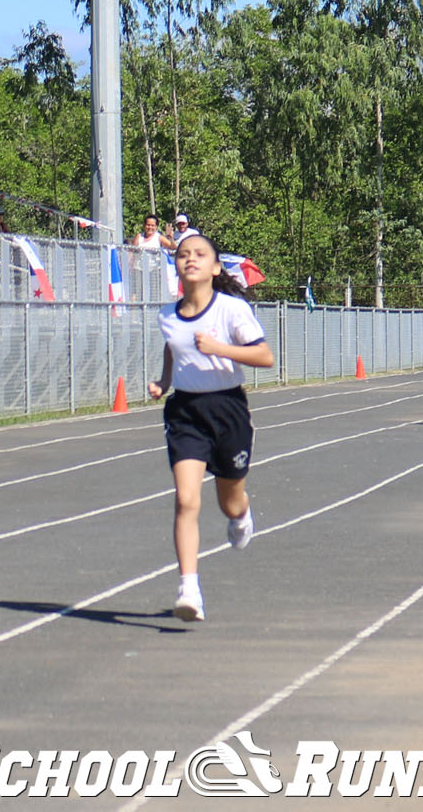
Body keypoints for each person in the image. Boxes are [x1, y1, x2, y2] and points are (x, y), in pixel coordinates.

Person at [146, 233, 273, 622]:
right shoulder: (167, 315)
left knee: (229, 499)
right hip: (186, 412)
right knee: (186, 500)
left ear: (216, 267)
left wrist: (221, 349)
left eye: (200, 254)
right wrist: (165, 382)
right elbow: (173, 346)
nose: (190, 260)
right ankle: (189, 589)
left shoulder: (232, 310)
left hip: (228, 408)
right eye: (183, 255)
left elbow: (264, 356)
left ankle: (241, 516)